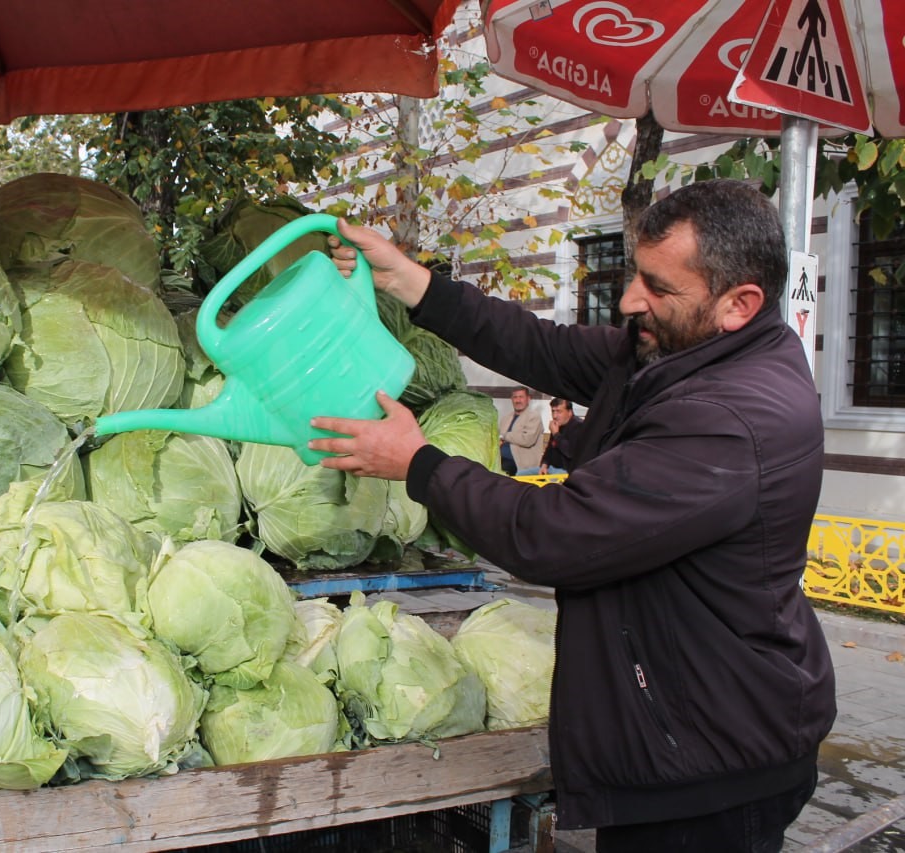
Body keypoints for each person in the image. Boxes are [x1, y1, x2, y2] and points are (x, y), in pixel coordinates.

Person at [310, 179, 836, 852]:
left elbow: (552, 533)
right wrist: (414, 283)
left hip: (713, 762)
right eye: (632, 274)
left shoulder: (732, 419)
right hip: (683, 734)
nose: (628, 301)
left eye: (657, 288)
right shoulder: (675, 352)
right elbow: (542, 347)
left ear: (739, 303)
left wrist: (419, 463)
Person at [498, 386, 544, 476]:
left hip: (520, 464)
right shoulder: (505, 418)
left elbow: (527, 440)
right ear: (511, 399)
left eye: (521, 397)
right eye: (515, 397)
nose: (518, 400)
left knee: (500, 473)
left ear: (528, 399)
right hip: (501, 459)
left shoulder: (534, 416)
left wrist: (504, 436)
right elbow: (498, 439)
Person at [535, 397, 582, 475]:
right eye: (553, 411)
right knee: (520, 475)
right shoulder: (557, 425)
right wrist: (544, 464)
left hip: (566, 471)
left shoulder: (579, 426)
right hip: (550, 468)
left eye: (559, 412)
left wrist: (556, 434)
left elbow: (570, 452)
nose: (554, 416)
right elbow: (549, 450)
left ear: (570, 412)